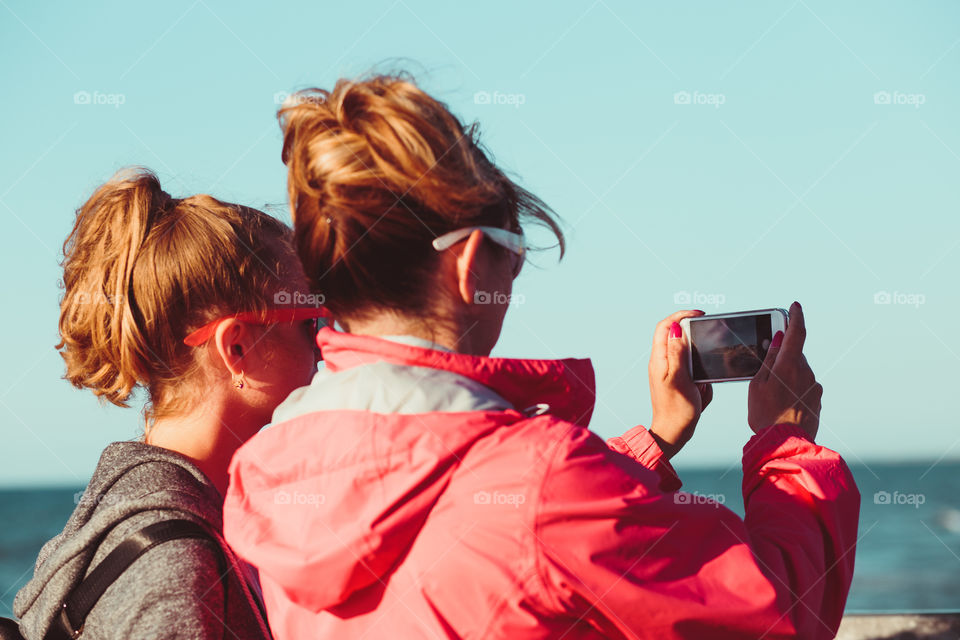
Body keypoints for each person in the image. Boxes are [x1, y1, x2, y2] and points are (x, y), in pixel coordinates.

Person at [223, 75, 860, 639]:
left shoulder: (268, 466)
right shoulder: (545, 482)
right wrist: (786, 441)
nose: (519, 264)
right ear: (471, 266)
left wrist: (656, 439)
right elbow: (781, 614)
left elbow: (472, 498)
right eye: (513, 244)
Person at [13, 168, 326, 639]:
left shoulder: (154, 512)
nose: (328, 346)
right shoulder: (175, 570)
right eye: (311, 322)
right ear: (236, 347)